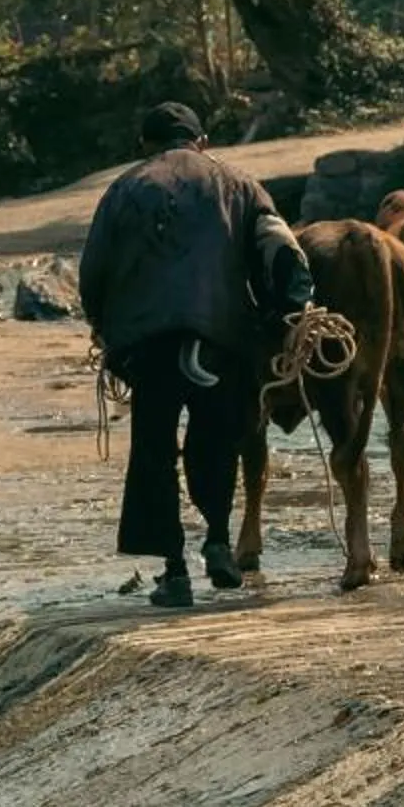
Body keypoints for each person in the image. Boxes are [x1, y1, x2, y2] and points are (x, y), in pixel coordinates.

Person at [79, 101, 312, 609]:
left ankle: (175, 571)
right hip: (221, 342)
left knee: (154, 449)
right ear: (202, 141)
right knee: (217, 441)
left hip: (150, 346)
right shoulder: (240, 185)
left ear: (146, 146)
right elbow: (284, 255)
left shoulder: (125, 189)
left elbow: (93, 271)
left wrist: (104, 328)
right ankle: (218, 540)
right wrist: (285, 316)